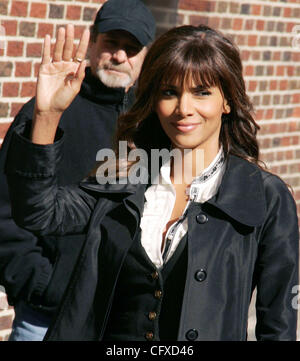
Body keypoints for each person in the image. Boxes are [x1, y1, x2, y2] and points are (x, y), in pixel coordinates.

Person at [5, 24, 299, 341]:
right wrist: (47, 114)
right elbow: (38, 213)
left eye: (201, 92)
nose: (184, 109)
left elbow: (279, 325)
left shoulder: (265, 197)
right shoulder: (125, 177)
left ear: (226, 101)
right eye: (169, 92)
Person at [0, 0, 155, 341]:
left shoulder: (149, 125)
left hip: (115, 320)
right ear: (93, 41)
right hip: (46, 317)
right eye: (112, 43)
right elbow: (6, 208)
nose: (119, 56)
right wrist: (41, 283)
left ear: (146, 56)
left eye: (132, 49)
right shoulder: (46, 112)